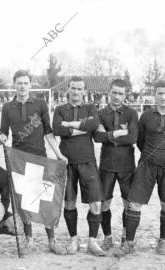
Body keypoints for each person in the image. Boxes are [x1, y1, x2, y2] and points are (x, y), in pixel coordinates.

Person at [0, 69, 67, 255]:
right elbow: (3, 131)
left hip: (40, 158)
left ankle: (52, 241)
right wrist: (1, 138)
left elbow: (48, 132)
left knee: (45, 199)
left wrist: (58, 154)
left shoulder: (40, 104)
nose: (22, 86)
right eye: (19, 83)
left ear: (30, 84)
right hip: (19, 161)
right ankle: (29, 240)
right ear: (14, 84)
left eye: (26, 83)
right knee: (24, 200)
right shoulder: (7, 107)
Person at [122, 80, 165, 255]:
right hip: (146, 166)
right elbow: (140, 141)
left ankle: (162, 241)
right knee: (134, 204)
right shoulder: (146, 116)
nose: (163, 97)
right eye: (160, 93)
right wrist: (149, 156)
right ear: (154, 95)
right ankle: (129, 243)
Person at [52, 76, 106, 256]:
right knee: (69, 203)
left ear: (84, 91)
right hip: (66, 162)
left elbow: (94, 124)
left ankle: (92, 241)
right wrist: (83, 128)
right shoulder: (60, 109)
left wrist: (71, 126)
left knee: (96, 203)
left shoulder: (90, 108)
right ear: (68, 89)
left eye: (79, 89)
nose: (76, 92)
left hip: (87, 160)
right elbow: (58, 129)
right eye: (73, 88)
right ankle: (73, 239)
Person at [94, 79, 138, 250]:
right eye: (114, 92)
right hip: (106, 165)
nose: (117, 96)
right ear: (109, 92)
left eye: (120, 93)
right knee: (104, 203)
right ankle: (107, 237)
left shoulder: (131, 114)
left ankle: (126, 237)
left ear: (125, 95)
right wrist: (119, 134)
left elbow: (132, 138)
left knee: (128, 203)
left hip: (127, 165)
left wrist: (109, 136)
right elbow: (97, 137)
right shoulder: (100, 113)